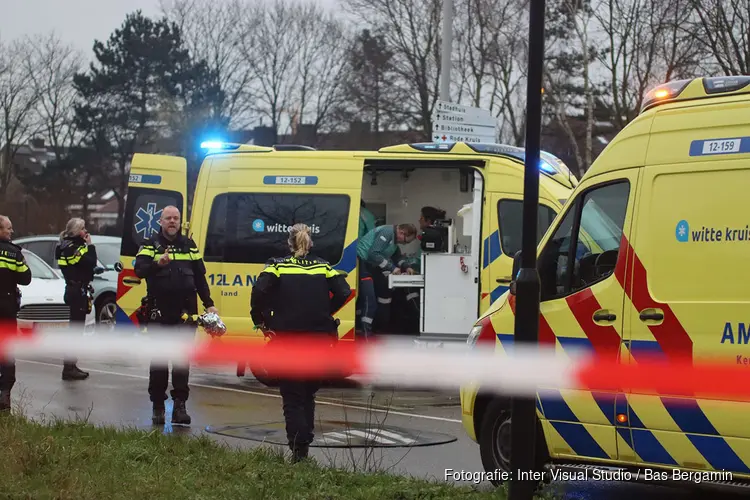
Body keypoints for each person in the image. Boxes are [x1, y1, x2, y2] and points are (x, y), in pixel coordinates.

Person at [250, 223, 351, 462]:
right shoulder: (323, 266)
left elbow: (258, 291)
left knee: (293, 397)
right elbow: (344, 291)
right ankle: (304, 445)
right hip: (319, 339)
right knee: (308, 393)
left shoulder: (277, 265)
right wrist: (325, 312)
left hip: (288, 339)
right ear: (310, 243)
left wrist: (261, 320)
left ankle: (298, 450)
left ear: (289, 243)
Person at [134, 205, 217, 426]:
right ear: (160, 221)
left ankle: (180, 406)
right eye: (168, 218)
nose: (172, 221)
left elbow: (200, 278)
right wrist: (157, 263)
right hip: (159, 313)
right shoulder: (150, 244)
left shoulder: (189, 246)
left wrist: (209, 305)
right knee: (160, 361)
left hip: (185, 314)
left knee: (181, 361)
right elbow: (139, 270)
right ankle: (158, 406)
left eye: (176, 218)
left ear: (180, 222)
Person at [355, 223, 417, 338]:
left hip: (372, 267)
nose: (404, 244)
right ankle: (365, 332)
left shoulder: (393, 241)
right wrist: (392, 268)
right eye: (406, 241)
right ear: (402, 233)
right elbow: (373, 254)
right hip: (363, 264)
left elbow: (397, 257)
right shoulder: (387, 232)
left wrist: (406, 267)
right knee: (370, 299)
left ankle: (377, 328)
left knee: (383, 296)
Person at [55, 218, 98, 381]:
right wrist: (90, 245)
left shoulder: (65, 245)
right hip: (76, 290)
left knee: (76, 328)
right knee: (76, 330)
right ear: (75, 231)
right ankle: (69, 368)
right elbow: (90, 262)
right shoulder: (73, 247)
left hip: (75, 289)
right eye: (83, 228)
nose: (85, 231)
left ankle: (71, 365)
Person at [0, 216, 31, 412]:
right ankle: (4, 396)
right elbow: (26, 278)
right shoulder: (14, 253)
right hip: (6, 306)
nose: (12, 232)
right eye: (8, 228)